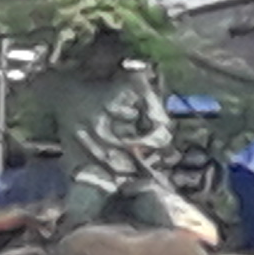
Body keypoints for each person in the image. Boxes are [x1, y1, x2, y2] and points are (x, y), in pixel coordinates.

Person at [31, 20, 209, 240]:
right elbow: (38, 81)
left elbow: (162, 128)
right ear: (85, 52)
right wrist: (58, 44)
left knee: (167, 228)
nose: (103, 58)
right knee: (73, 222)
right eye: (98, 51)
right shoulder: (63, 85)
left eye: (110, 51)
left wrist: (145, 144)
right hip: (92, 174)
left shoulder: (136, 83)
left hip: (134, 175)